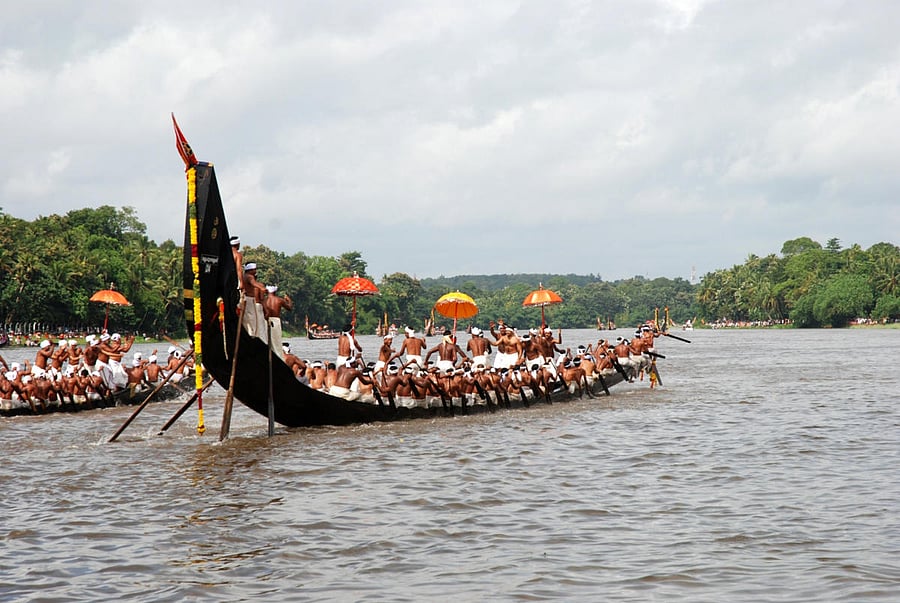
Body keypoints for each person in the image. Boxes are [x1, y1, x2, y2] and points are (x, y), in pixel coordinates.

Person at [263, 285, 293, 359]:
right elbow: (289, 308)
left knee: (268, 340)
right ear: (275, 291)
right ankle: (277, 357)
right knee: (276, 341)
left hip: (265, 320)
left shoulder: (264, 300)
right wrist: (289, 300)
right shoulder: (279, 300)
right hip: (275, 321)